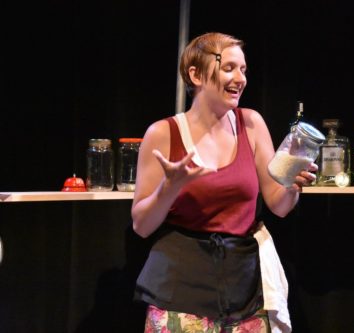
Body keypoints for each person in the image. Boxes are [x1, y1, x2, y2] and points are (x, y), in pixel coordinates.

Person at [132, 32, 317, 333]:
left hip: (244, 289)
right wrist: (171, 186)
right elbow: (141, 225)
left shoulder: (252, 124)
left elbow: (279, 205)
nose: (240, 78)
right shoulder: (163, 134)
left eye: (243, 69)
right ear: (196, 74)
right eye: (229, 67)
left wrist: (293, 185)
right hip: (181, 289)